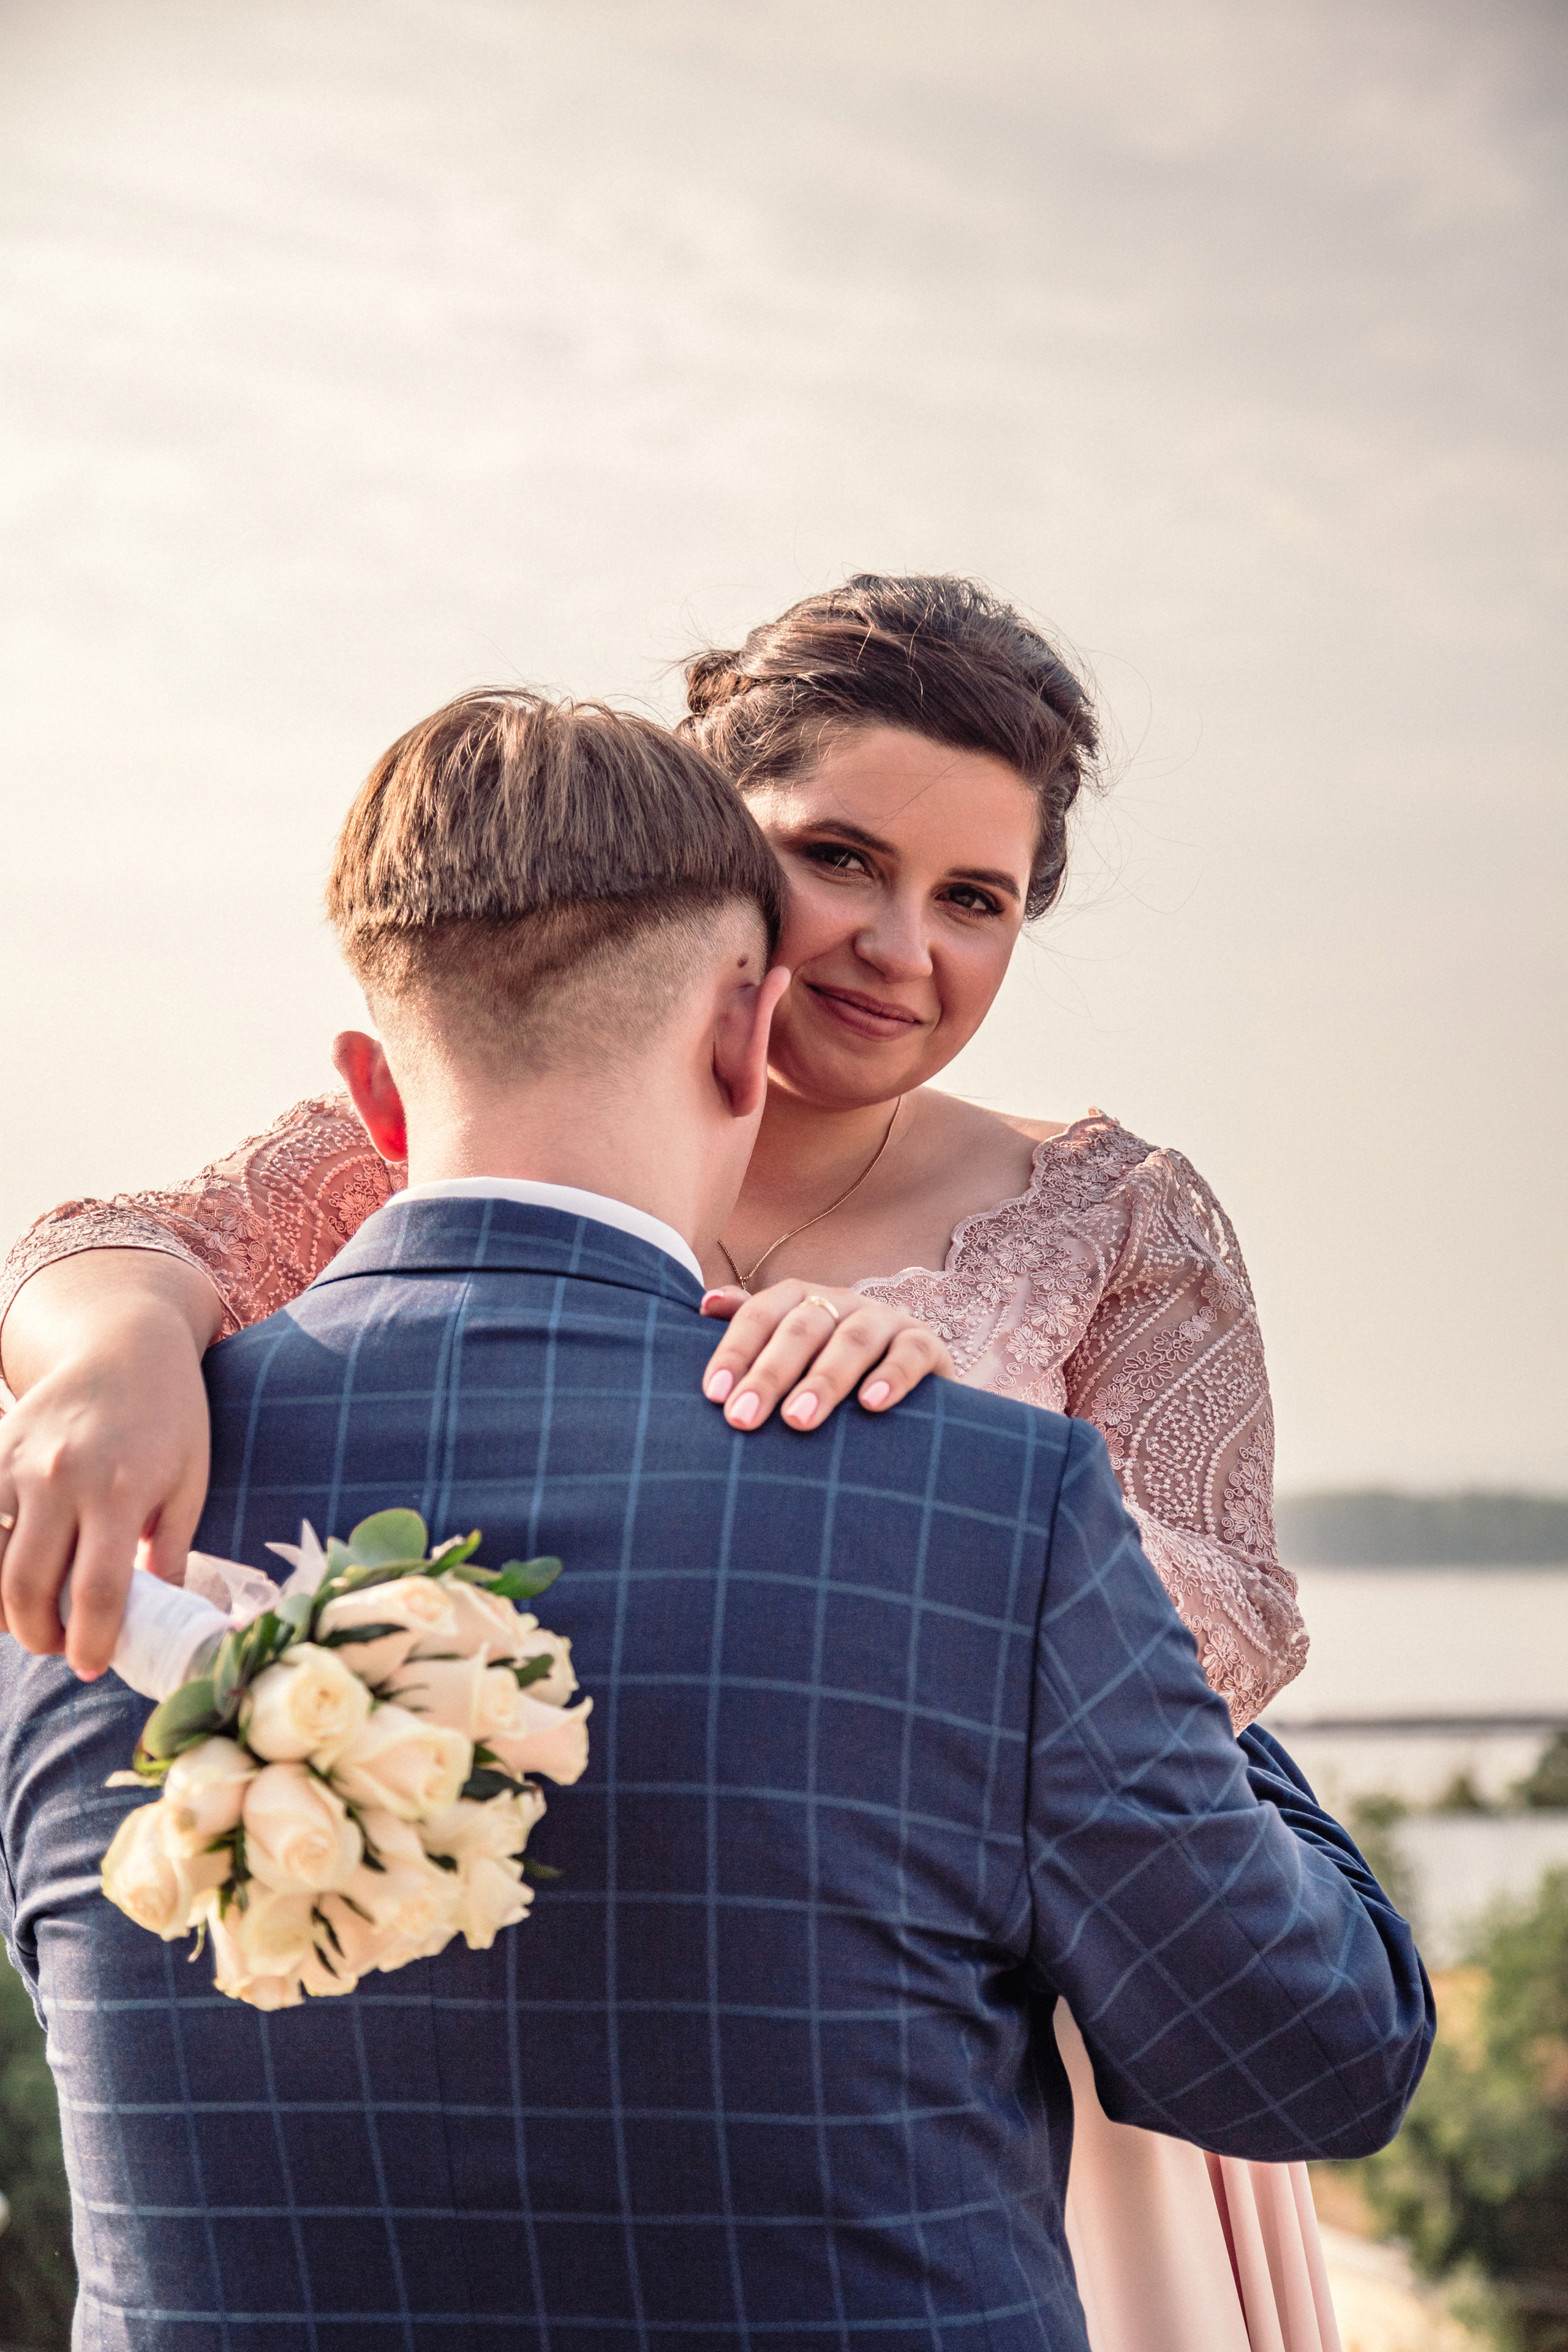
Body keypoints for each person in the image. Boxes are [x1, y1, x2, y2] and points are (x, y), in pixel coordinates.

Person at [0, 689, 1431, 2350]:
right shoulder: (994, 1508)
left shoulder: (86, 1528)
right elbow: (1310, 2051)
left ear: (374, 1093)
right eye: (838, 861)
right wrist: (1077, 1607)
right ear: (744, 1013)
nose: (898, 948)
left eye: (976, 896)